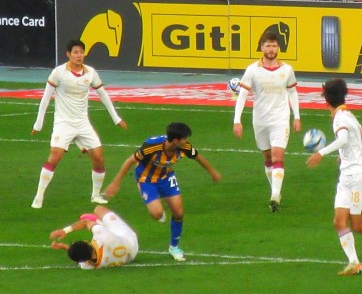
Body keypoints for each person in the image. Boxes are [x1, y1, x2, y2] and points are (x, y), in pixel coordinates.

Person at [306, 78, 362, 276]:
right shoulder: (351, 117)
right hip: (347, 177)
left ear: (326, 100)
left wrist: (320, 154)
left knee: (357, 224)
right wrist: (346, 155)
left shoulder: (341, 118)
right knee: (339, 221)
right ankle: (354, 263)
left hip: (359, 177)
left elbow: (343, 139)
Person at [103, 122, 221, 262]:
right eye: (184, 139)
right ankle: (152, 201)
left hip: (166, 177)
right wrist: (116, 183)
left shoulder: (185, 147)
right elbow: (130, 161)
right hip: (146, 179)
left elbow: (199, 158)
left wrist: (213, 172)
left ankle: (174, 247)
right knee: (157, 214)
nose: (187, 141)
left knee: (178, 212)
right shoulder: (151, 147)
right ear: (176, 140)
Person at [31, 39, 128, 209]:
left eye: (81, 52)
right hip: (63, 123)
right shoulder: (58, 72)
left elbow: (103, 95)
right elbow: (45, 99)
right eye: (75, 52)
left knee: (98, 158)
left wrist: (116, 118)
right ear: (68, 54)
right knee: (55, 156)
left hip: (83, 124)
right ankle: (39, 197)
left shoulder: (90, 72)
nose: (79, 55)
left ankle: (95, 195)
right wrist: (38, 124)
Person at [233, 29, 301, 211]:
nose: (271, 49)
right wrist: (237, 120)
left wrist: (297, 116)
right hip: (260, 120)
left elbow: (292, 92)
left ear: (279, 47)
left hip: (280, 119)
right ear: (261, 47)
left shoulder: (287, 70)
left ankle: (275, 196)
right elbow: (242, 95)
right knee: (267, 157)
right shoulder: (252, 70)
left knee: (278, 155)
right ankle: (275, 191)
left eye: (274, 45)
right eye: (267, 45)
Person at [49, 205, 140, 269]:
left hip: (131, 256)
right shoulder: (102, 236)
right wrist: (65, 231)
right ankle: (97, 221)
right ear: (86, 241)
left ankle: (98, 223)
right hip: (130, 241)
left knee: (104, 229)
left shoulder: (88, 266)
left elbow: (78, 258)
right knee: (99, 209)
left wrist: (64, 247)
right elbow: (86, 222)